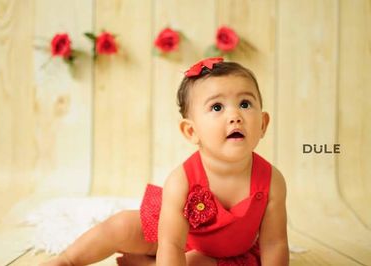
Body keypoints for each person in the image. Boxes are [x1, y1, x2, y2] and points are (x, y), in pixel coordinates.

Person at [42, 57, 289, 266]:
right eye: (217, 107)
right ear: (191, 132)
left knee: (197, 263)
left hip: (219, 254)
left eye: (245, 104)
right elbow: (170, 242)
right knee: (120, 225)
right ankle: (67, 260)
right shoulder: (181, 180)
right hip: (171, 235)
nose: (235, 116)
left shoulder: (272, 181)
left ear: (263, 124)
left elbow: (274, 242)